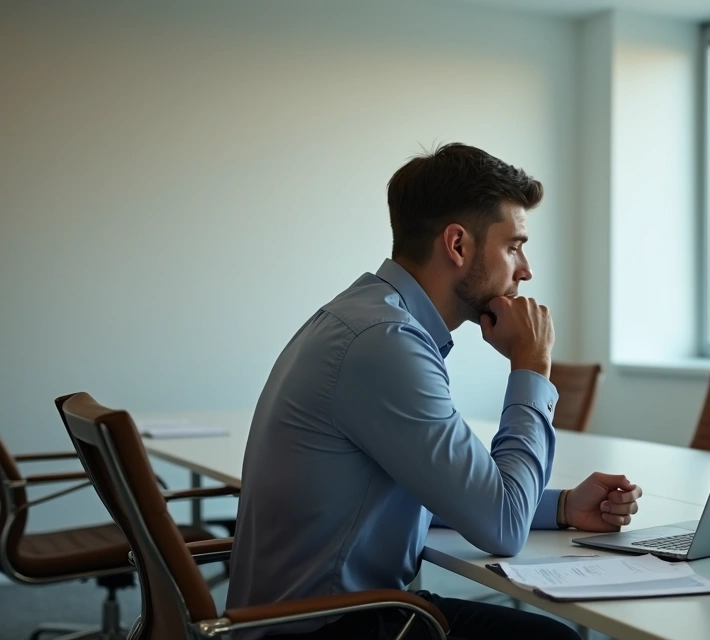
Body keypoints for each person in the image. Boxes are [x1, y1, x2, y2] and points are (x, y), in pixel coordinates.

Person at [225, 143, 643, 640]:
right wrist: (531, 364)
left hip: (316, 615)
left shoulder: (365, 318)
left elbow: (434, 490)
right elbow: (503, 528)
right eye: (513, 246)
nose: (525, 270)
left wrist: (560, 506)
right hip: (322, 629)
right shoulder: (385, 344)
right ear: (458, 245)